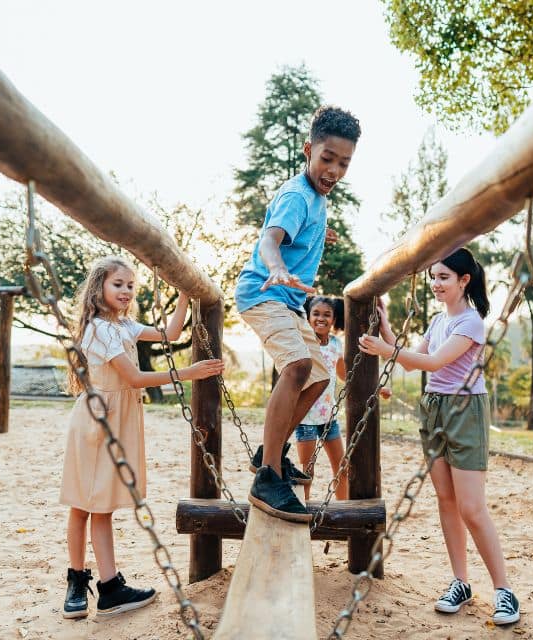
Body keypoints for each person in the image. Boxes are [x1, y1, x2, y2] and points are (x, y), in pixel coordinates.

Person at [358, 247, 520, 626]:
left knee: (471, 508)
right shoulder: (437, 321)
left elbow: (432, 362)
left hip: (465, 411)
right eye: (433, 277)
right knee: (446, 501)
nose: (436, 284)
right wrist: (386, 328)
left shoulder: (471, 322)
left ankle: (504, 590)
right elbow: (411, 359)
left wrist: (385, 349)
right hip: (434, 408)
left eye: (443, 277)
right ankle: (460, 582)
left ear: (464, 280)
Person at [59, 256, 224, 620]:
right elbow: (133, 378)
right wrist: (189, 373)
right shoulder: (100, 329)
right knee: (84, 504)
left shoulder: (124, 326)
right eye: (118, 284)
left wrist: (184, 292)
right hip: (99, 421)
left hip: (118, 418)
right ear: (99, 287)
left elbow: (171, 334)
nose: (126, 291)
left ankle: (107, 587)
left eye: (131, 286)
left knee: (99, 505)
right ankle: (81, 582)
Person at [235, 105, 362, 523]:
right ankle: (268, 477)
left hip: (288, 303)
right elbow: (270, 240)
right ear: (309, 150)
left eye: (344, 163)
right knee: (297, 366)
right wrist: (275, 266)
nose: (334, 170)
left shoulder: (315, 200)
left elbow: (298, 228)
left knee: (319, 376)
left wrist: (318, 233)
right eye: (327, 158)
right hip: (264, 292)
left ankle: (268, 453)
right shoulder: (296, 195)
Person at [296, 295, 390, 500]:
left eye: (327, 315)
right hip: (305, 418)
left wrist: (376, 387)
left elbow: (346, 375)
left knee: (342, 468)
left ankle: (342, 509)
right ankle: (304, 509)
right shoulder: (304, 342)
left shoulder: (336, 344)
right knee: (307, 472)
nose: (321, 318)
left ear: (334, 319)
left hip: (329, 418)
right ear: (308, 317)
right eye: (316, 314)